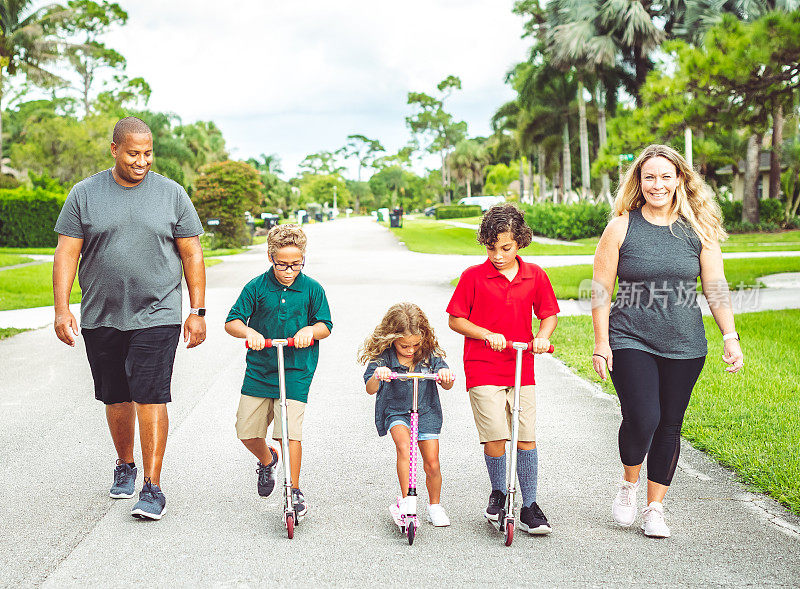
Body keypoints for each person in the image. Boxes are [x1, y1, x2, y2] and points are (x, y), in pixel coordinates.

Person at [53, 116, 206, 520]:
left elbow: (192, 252)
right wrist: (62, 308)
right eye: (134, 153)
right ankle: (125, 464)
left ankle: (153, 488)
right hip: (101, 315)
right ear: (115, 149)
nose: (142, 161)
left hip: (158, 312)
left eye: (148, 153)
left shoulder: (171, 194)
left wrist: (197, 310)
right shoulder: (85, 194)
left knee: (150, 394)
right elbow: (67, 252)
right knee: (116, 396)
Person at [591, 144, 745, 538]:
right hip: (630, 338)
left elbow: (715, 286)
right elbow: (600, 291)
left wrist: (730, 335)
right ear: (638, 182)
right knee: (644, 418)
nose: (657, 184)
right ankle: (628, 485)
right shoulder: (622, 226)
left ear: (680, 179)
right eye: (649, 177)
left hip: (685, 343)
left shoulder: (699, 229)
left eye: (665, 176)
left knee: (670, 426)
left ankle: (655, 507)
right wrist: (601, 342)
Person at [447, 204, 559, 535]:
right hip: (483, 367)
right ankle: (499, 492)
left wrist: (542, 336)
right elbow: (456, 319)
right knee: (496, 435)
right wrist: (485, 334)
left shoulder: (535, 275)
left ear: (520, 242)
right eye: (491, 247)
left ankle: (529, 505)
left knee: (525, 437)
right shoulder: (473, 277)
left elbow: (549, 313)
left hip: (521, 366)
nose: (498, 255)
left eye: (505, 248)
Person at [224, 224, 332, 520]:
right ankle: (266, 458)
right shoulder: (256, 287)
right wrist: (250, 332)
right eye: (282, 264)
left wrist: (310, 330)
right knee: (246, 431)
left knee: (288, 432)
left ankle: (294, 490)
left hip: (296, 369)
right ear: (271, 258)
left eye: (296, 264)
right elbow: (232, 321)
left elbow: (325, 325)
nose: (288, 270)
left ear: (303, 259)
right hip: (260, 370)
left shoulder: (312, 288)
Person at [359, 302, 455, 527]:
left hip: (426, 410)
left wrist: (444, 375)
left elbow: (447, 385)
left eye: (415, 344)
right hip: (396, 410)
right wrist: (379, 375)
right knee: (405, 447)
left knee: (432, 462)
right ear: (392, 340)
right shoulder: (384, 357)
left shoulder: (429, 355)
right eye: (404, 346)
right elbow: (370, 388)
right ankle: (407, 502)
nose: (410, 350)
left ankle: (435, 505)